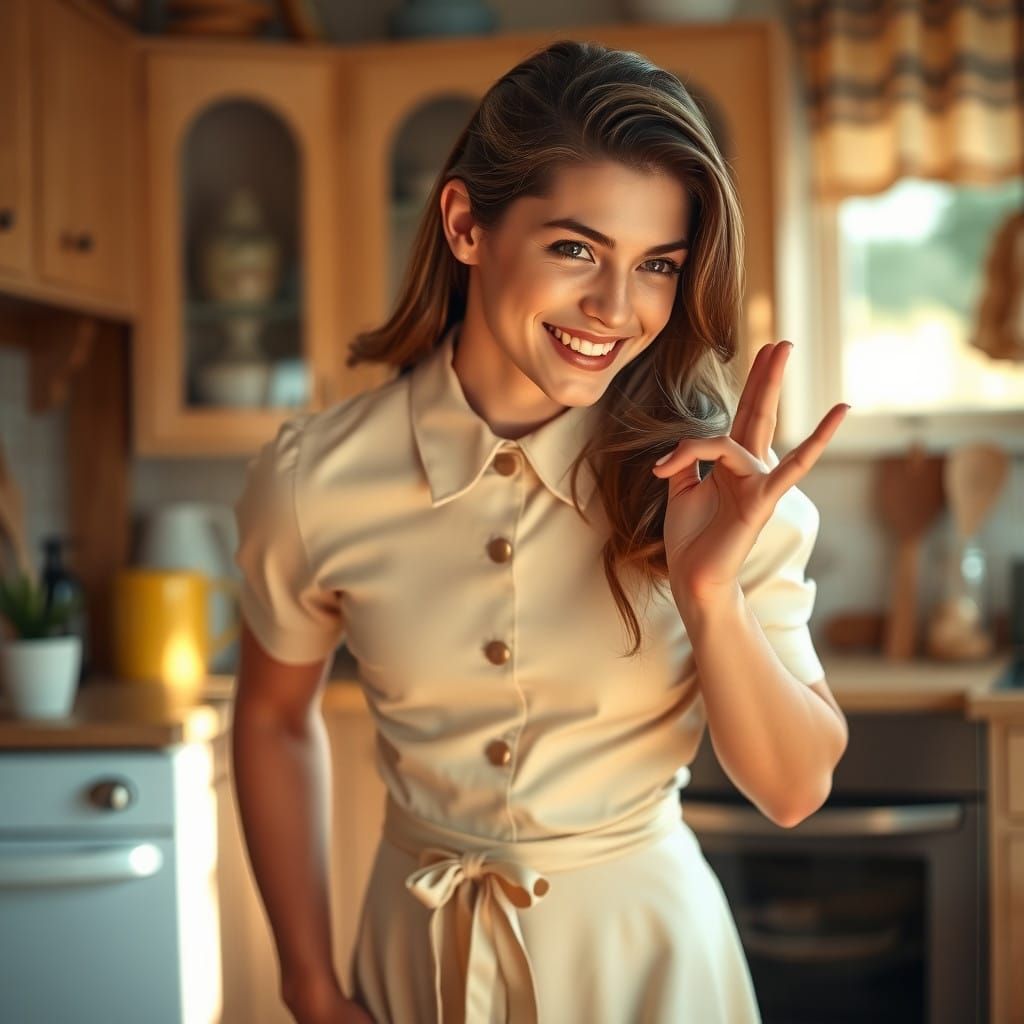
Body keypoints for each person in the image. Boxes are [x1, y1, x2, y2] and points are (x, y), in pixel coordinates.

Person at [231, 38, 851, 1024]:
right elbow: (270, 716)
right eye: (576, 249)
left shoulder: (721, 490)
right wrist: (307, 982)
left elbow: (792, 790)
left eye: (657, 264)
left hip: (648, 966)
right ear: (466, 224)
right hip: (415, 960)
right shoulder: (313, 478)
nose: (616, 308)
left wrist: (709, 595)